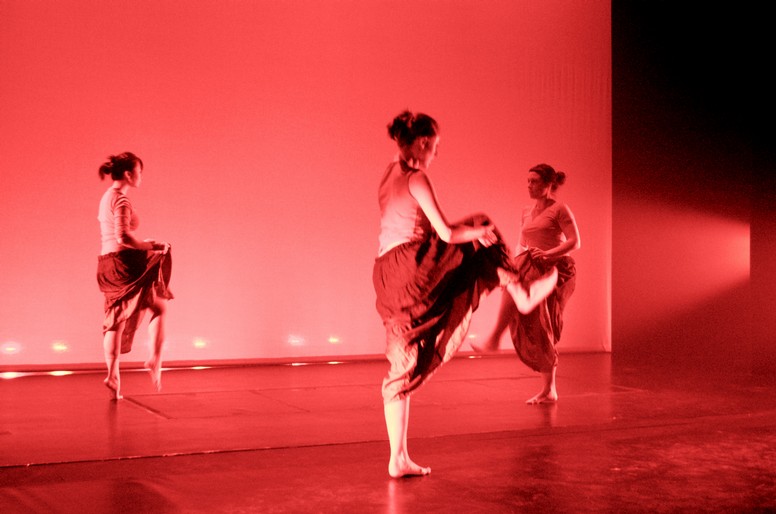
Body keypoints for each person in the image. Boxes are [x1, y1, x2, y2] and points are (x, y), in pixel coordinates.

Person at [372, 111, 558, 478]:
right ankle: (519, 292)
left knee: (403, 358)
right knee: (481, 223)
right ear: (422, 143)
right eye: (435, 147)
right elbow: (444, 233)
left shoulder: (389, 172)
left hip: (386, 273)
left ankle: (398, 458)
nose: (436, 154)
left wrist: (473, 239)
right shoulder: (416, 178)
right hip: (414, 265)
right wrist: (479, 233)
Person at [475, 163, 580, 405]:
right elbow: (522, 244)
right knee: (531, 320)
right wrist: (513, 266)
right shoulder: (526, 211)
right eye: (528, 181)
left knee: (544, 324)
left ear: (548, 184)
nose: (529, 186)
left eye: (534, 181)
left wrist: (549, 254)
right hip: (531, 266)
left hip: (556, 270)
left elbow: (575, 241)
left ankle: (496, 337)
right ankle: (548, 389)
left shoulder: (560, 209)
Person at [96, 152, 173, 400]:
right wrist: (151, 246)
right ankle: (154, 359)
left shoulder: (107, 197)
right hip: (123, 265)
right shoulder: (120, 200)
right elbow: (123, 237)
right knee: (159, 307)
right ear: (129, 174)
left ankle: (113, 375)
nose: (141, 177)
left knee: (116, 319)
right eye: (139, 172)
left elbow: (118, 236)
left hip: (107, 265)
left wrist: (144, 243)